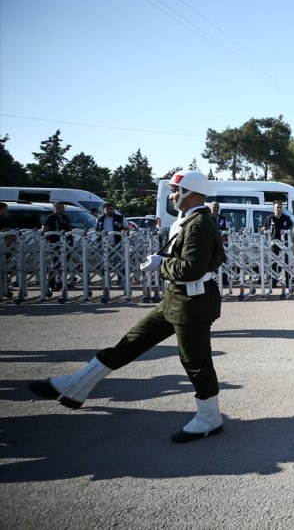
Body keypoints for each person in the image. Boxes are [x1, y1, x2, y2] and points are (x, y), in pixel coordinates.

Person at [29, 170, 226, 443]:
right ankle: (75, 386)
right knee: (131, 342)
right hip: (177, 299)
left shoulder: (200, 224)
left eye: (174, 190)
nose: (171, 195)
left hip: (192, 302)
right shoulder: (190, 220)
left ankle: (209, 417)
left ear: (189, 192)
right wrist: (165, 260)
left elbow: (192, 269)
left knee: (195, 362)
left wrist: (162, 265)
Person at [41, 201, 73, 291]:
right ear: (53, 208)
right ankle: (51, 282)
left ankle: (61, 282)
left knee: (64, 264)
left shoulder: (65, 217)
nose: (61, 209)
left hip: (67, 244)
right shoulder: (49, 218)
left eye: (62, 207)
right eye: (58, 208)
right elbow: (43, 231)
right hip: (54, 244)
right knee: (55, 264)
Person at [95, 202, 129, 286]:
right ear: (103, 210)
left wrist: (122, 230)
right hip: (103, 244)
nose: (110, 211)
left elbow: (127, 229)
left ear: (114, 210)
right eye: (107, 209)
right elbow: (96, 230)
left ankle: (121, 281)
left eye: (111, 209)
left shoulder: (120, 218)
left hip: (117, 244)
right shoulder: (100, 219)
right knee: (103, 263)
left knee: (119, 263)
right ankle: (105, 281)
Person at [262, 201, 294, 288]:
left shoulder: (287, 218)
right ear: (274, 208)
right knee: (273, 263)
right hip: (274, 243)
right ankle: (273, 281)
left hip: (285, 243)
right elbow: (264, 228)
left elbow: (292, 228)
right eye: (277, 207)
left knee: (287, 263)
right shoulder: (270, 218)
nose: (279, 209)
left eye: (281, 207)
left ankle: (288, 281)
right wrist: (263, 231)